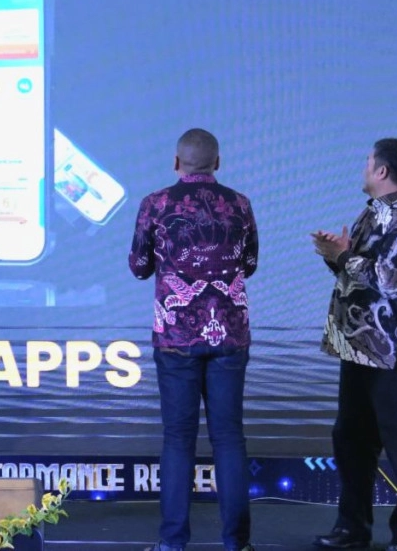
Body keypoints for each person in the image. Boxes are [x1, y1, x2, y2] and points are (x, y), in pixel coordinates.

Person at [128, 128, 258, 551]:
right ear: (217, 162)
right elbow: (250, 263)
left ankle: (171, 543)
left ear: (176, 162)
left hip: (176, 337)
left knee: (178, 439)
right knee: (229, 438)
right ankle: (237, 544)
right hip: (229, 335)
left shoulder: (156, 204)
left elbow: (139, 266)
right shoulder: (240, 204)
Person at [311, 139, 397, 551]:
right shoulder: (374, 213)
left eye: (368, 162)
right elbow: (358, 275)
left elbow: (389, 281)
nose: (364, 167)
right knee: (351, 440)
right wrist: (335, 255)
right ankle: (352, 529)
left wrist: (344, 256)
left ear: (382, 171)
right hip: (361, 348)